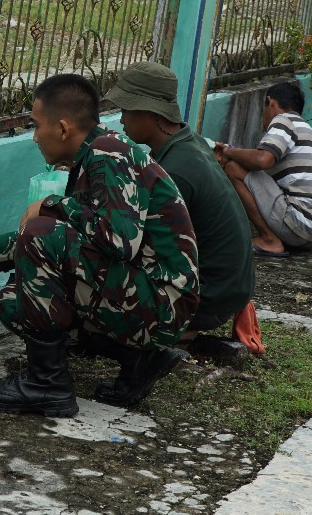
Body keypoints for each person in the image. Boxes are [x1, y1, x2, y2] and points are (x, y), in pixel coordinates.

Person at [0, 74, 200, 415]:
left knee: (41, 233)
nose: (35, 137)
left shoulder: (107, 157)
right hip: (145, 297)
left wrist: (53, 204)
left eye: (37, 126)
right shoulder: (95, 155)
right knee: (15, 300)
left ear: (64, 128)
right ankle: (138, 359)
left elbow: (118, 241)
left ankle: (46, 385)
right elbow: (71, 242)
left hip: (162, 305)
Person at [103, 63, 256, 350]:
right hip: (227, 290)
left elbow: (136, 245)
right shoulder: (190, 143)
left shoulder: (176, 170)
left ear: (149, 112)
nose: (121, 119)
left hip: (210, 300)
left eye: (126, 110)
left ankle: (170, 327)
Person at [216, 82, 312, 257]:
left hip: (299, 222)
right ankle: (275, 238)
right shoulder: (306, 129)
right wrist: (232, 150)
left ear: (270, 102)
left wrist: (229, 153)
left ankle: (269, 240)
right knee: (241, 165)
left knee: (233, 168)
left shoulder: (283, 121)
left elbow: (262, 160)